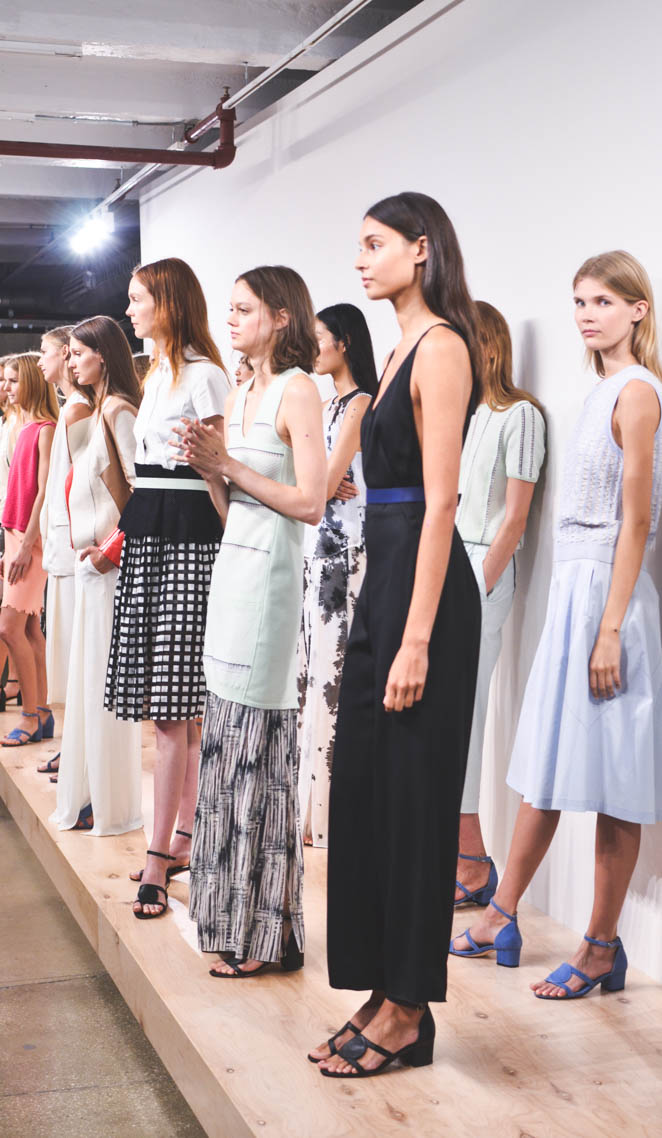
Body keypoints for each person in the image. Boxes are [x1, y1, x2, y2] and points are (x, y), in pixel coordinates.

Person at [450, 250, 662, 1000]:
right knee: (544, 759)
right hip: (577, 592)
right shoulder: (601, 389)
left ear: (638, 309)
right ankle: (500, 912)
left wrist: (611, 629)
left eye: (603, 301)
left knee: (614, 780)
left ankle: (600, 946)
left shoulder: (637, 392)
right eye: (579, 301)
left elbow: (638, 521)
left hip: (610, 601)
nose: (587, 315)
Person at [311, 192, 482, 1078]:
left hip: (428, 599)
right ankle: (383, 989)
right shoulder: (397, 352)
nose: (360, 260)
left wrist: (415, 638)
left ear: (421, 249)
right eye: (359, 245)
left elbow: (442, 502)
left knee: (414, 806)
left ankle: (410, 1009)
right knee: (369, 796)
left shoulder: (443, 347)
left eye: (374, 244)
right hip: (386, 589)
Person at [176, 264, 326, 973]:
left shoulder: (300, 389)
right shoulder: (239, 391)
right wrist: (210, 469)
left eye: (243, 309)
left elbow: (311, 502)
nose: (230, 319)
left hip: (269, 587)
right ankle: (240, 928)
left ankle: (266, 935)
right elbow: (233, 509)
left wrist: (229, 466)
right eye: (230, 309)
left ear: (281, 315)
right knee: (225, 758)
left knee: (255, 761)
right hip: (232, 574)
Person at [103, 258, 230, 914]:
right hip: (152, 533)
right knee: (168, 705)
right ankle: (180, 835)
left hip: (187, 539)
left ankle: (161, 853)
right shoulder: (158, 375)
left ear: (167, 303)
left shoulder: (205, 375)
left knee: (174, 707)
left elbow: (218, 468)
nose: (130, 310)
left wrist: (235, 543)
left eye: (138, 299)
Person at [454, 302, 546, 906]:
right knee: (453, 715)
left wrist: (479, 582)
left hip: (485, 570)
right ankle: (467, 855)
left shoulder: (522, 416)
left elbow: (515, 518)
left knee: (467, 713)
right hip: (456, 564)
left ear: (486, 346)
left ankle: (471, 862)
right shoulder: (474, 414)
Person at [51, 316, 142, 834]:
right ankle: (89, 794)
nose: (71, 362)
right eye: (67, 353)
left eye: (78, 352)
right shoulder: (98, 409)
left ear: (102, 355)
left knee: (104, 688)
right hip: (91, 565)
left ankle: (110, 802)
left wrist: (112, 551)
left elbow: (143, 490)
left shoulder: (118, 410)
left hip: (108, 568)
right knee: (88, 684)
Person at [297, 303, 377, 847]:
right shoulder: (326, 405)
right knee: (310, 675)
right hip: (315, 550)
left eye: (320, 337)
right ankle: (309, 811)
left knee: (333, 676)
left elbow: (321, 486)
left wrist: (322, 483)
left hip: (345, 554)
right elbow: (311, 481)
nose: (312, 348)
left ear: (344, 342)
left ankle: (328, 816)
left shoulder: (361, 404)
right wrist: (320, 483)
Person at [0, 354, 57, 746]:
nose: (7, 387)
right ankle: (43, 712)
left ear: (32, 383)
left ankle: (30, 715)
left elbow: (43, 493)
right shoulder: (22, 427)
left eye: (14, 380)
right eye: (6, 380)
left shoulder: (46, 429)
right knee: (31, 629)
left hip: (31, 540)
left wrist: (25, 546)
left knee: (8, 627)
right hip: (15, 535)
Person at [38, 327, 94, 728]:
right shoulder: (70, 407)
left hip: (73, 545)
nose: (41, 359)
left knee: (75, 652)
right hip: (60, 543)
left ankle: (78, 747)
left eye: (45, 351)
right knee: (65, 653)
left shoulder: (78, 409)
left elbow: (86, 483)